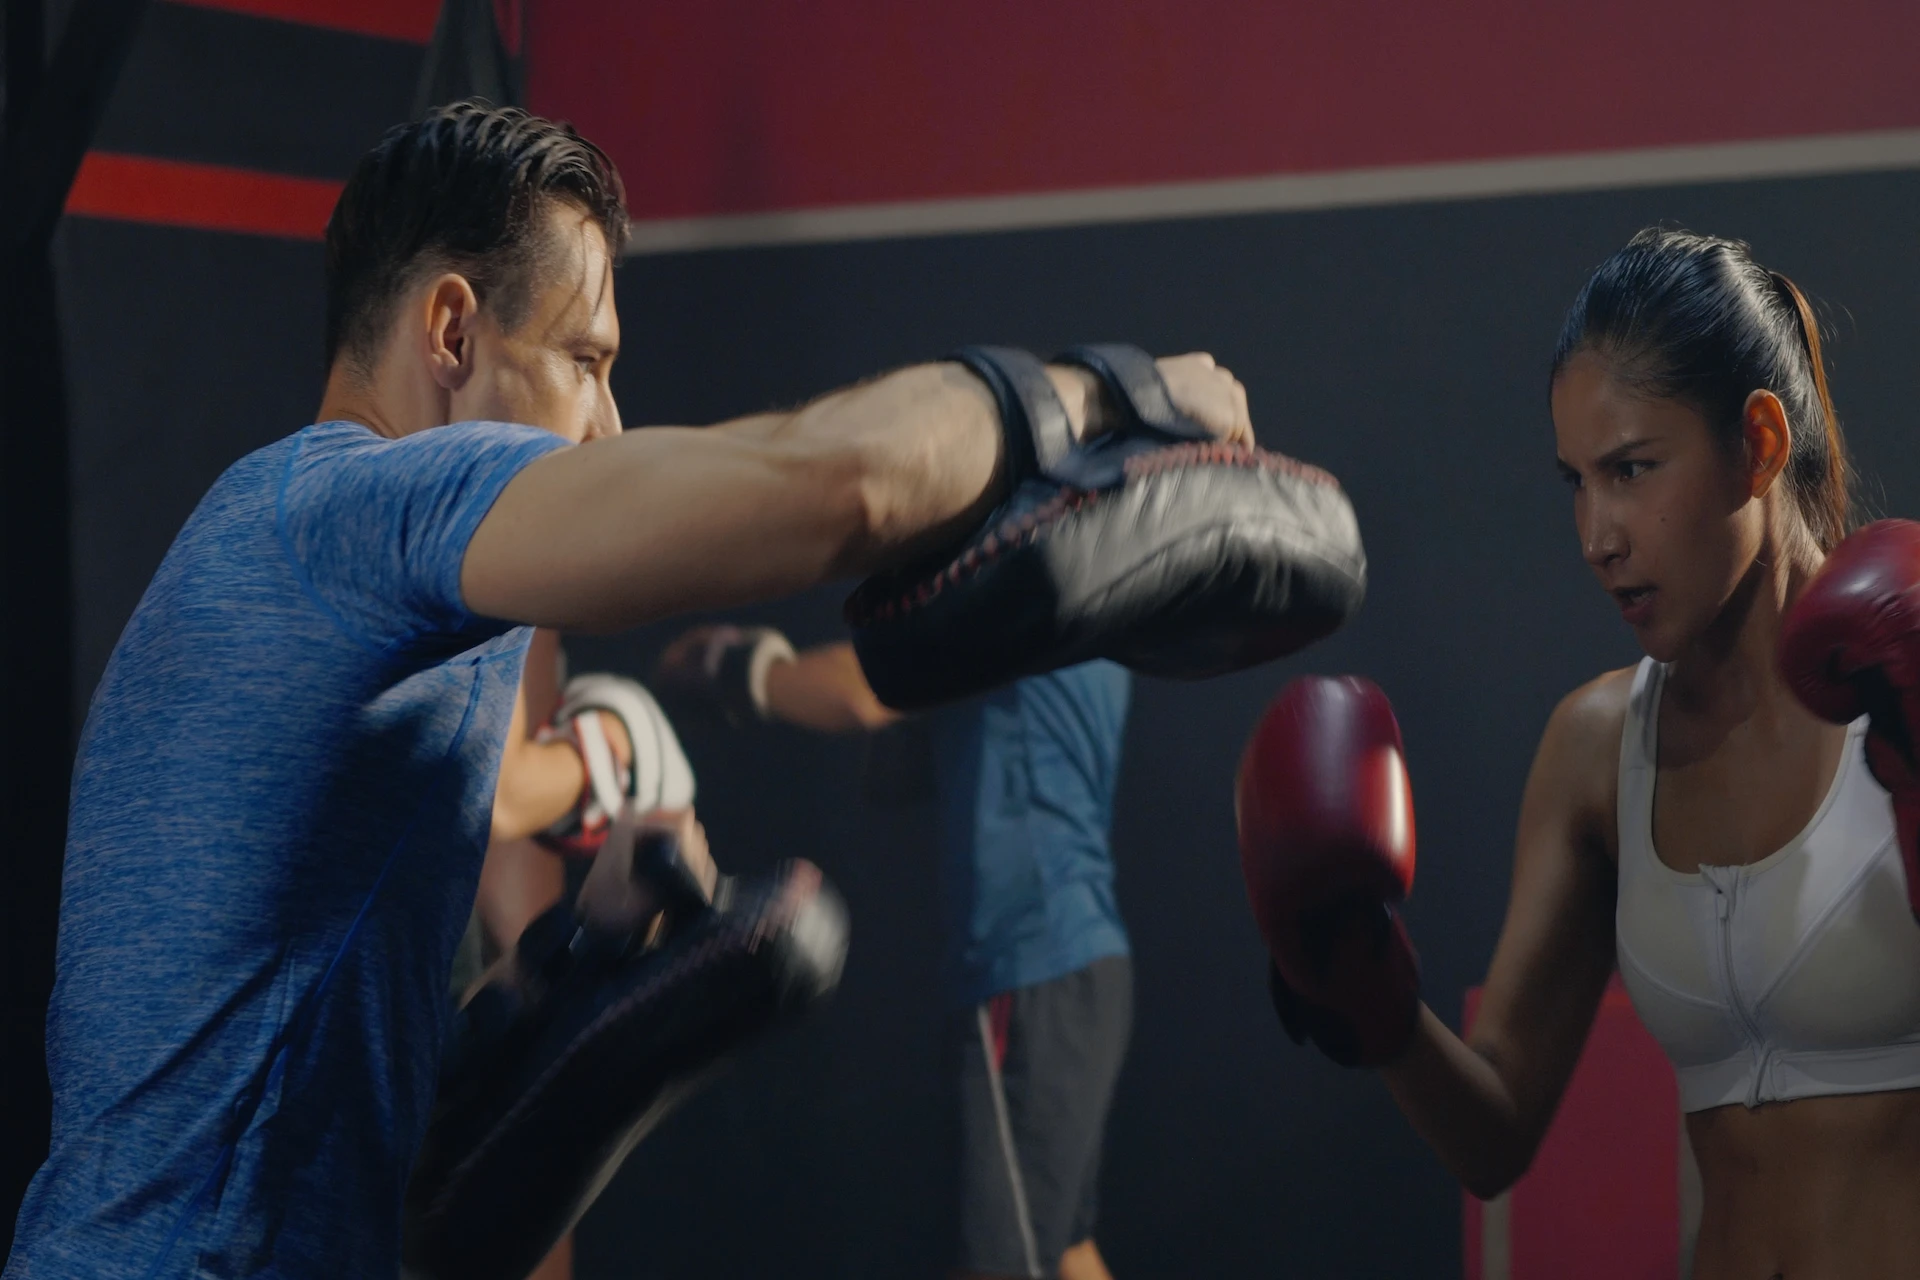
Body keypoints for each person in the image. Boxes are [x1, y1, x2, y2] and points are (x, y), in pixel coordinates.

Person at [3, 100, 1255, 1278]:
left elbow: (276, 1050)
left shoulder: (374, 590)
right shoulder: (345, 509)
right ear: (451, 332)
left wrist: (577, 952)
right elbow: (835, 486)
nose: (607, 422)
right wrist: (1113, 401)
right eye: (583, 358)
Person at [1237, 227, 1920, 1279]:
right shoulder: (1599, 748)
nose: (1597, 532)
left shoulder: (1903, 690)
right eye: (1576, 481)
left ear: (1760, 443)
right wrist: (1373, 1005)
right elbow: (1493, 1132)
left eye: (1633, 469)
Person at [656, 629, 1137, 1280]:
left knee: (1002, 1266)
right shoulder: (1085, 605)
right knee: (1065, 1249)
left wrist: (733, 667)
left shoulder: (1017, 579)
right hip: (1079, 961)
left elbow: (864, 695)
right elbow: (894, 771)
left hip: (1029, 962)